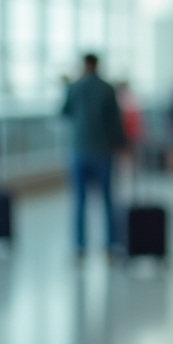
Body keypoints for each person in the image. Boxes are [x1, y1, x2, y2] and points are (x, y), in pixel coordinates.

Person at [62, 54, 126, 260]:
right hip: (103, 151)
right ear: (97, 65)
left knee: (79, 201)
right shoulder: (107, 89)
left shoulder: (74, 87)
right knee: (107, 200)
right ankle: (110, 246)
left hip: (79, 150)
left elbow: (64, 112)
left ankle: (79, 247)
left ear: (83, 65)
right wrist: (122, 145)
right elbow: (115, 122)